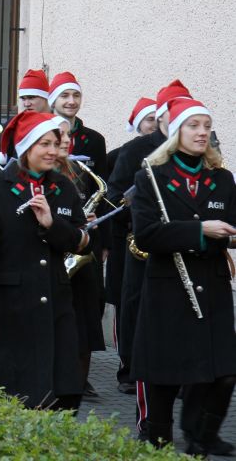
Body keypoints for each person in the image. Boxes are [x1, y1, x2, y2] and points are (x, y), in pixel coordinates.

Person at [130, 98, 236, 452]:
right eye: (194, 126)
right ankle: (156, 439)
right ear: (176, 132)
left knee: (223, 372)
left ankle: (200, 436)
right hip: (170, 287)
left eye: (207, 126)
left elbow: (232, 228)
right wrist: (200, 230)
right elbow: (145, 234)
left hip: (213, 285)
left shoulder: (222, 179)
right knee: (164, 374)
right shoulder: (150, 176)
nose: (202, 132)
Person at [0, 111, 89, 411]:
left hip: (55, 302)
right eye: (43, 144)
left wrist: (51, 225)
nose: (52, 151)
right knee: (10, 393)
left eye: (55, 143)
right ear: (26, 146)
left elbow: (80, 240)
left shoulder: (63, 186)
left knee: (62, 391)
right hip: (9, 306)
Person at [109, 79, 191, 420]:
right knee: (135, 307)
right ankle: (131, 369)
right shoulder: (136, 150)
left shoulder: (195, 151)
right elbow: (114, 196)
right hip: (143, 244)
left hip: (183, 248)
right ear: (161, 118)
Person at [104, 95, 156, 396]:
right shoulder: (129, 152)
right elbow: (113, 196)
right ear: (139, 125)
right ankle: (127, 368)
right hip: (129, 240)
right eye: (148, 120)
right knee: (128, 304)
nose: (153, 125)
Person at [54, 118, 106, 398]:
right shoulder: (40, 175)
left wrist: (89, 223)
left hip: (80, 258)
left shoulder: (80, 172)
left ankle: (78, 384)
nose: (65, 140)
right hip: (54, 261)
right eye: (58, 136)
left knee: (84, 326)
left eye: (66, 136)